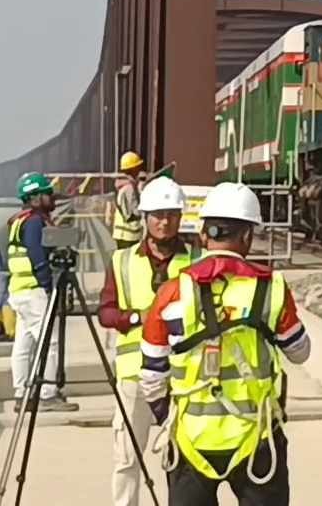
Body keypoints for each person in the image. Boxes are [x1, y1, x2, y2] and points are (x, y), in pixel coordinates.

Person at [139, 183, 310, 506]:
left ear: (203, 234)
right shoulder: (271, 288)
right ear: (247, 236)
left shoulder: (171, 293)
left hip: (191, 442)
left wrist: (168, 419)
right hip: (257, 440)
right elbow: (300, 352)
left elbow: (151, 376)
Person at [100, 176, 197, 506]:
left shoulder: (197, 260)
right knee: (127, 459)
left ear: (180, 217)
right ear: (145, 217)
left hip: (185, 376)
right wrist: (138, 318)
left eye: (170, 214)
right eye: (157, 214)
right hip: (134, 375)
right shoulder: (122, 261)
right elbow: (106, 312)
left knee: (185, 461)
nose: (164, 221)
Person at [5, 172, 77, 412]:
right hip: (34, 292)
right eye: (47, 193)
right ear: (35, 197)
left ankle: (21, 393)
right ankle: (47, 394)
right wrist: (48, 285)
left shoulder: (18, 221)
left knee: (23, 345)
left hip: (19, 291)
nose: (51, 197)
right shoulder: (35, 222)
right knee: (50, 342)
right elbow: (37, 255)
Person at [112, 151, 147, 249]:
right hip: (129, 235)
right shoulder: (129, 188)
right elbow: (133, 212)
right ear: (133, 169)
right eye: (138, 167)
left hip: (123, 234)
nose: (140, 170)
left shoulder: (122, 185)